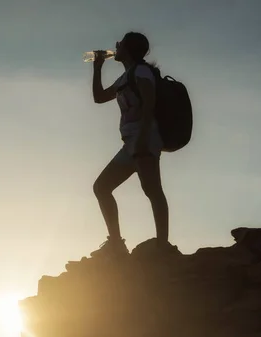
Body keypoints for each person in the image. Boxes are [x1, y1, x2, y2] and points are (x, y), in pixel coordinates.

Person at [90, 32, 170, 257]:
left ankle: (162, 245)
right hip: (130, 143)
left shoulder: (142, 72)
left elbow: (150, 103)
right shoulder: (125, 77)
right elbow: (99, 97)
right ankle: (116, 243)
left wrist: (144, 137)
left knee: (152, 190)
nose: (116, 45)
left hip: (144, 138)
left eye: (120, 43)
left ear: (128, 48)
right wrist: (97, 68)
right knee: (102, 187)